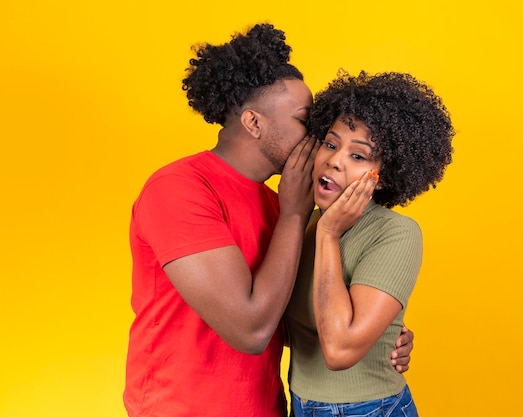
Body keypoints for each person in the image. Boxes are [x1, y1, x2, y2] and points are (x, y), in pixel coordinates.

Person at [123, 24, 413, 417]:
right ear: (254, 123)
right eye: (304, 120)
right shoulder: (180, 189)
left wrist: (380, 335)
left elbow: (288, 320)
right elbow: (252, 331)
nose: (316, 137)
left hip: (270, 407)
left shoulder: (279, 204)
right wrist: (294, 214)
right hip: (182, 407)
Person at [284, 70, 455, 417]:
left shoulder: (395, 233)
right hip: (301, 405)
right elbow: (285, 330)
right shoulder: (303, 223)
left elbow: (339, 352)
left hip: (371, 409)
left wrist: (330, 235)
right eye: (331, 144)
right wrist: (389, 336)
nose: (334, 160)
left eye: (358, 156)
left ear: (384, 177)